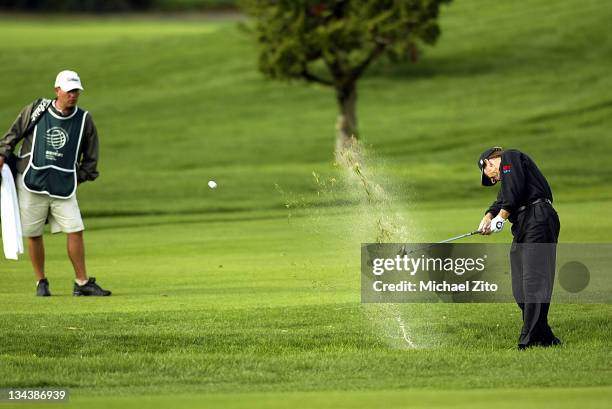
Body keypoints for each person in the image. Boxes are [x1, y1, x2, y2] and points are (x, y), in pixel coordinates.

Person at [0, 70, 111, 297]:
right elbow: (14, 135)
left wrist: (75, 178)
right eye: (69, 91)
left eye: (76, 91)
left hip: (63, 188)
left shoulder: (84, 119)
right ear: (57, 90)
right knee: (33, 233)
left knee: (75, 230)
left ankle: (82, 282)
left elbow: (91, 159)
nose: (73, 95)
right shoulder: (37, 109)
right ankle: (41, 282)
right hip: (32, 181)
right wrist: (2, 153)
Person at [477, 147, 560, 349]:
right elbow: (503, 198)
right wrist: (488, 217)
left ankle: (527, 340)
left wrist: (502, 217)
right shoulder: (510, 176)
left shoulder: (510, 157)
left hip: (538, 217)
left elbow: (511, 193)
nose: (494, 180)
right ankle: (544, 335)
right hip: (524, 223)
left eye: (492, 177)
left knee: (533, 280)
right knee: (519, 286)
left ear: (488, 162)